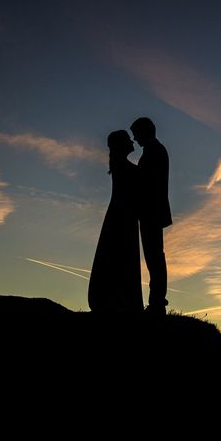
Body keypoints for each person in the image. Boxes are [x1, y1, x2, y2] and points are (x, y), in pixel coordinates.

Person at [88, 130, 144, 313]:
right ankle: (120, 301)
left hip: (122, 214)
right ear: (122, 144)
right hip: (122, 215)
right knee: (120, 255)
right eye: (128, 139)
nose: (132, 141)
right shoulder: (122, 164)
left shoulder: (121, 164)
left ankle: (121, 300)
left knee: (119, 256)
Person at [130, 117, 172, 315]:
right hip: (151, 211)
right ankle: (156, 302)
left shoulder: (155, 151)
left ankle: (157, 303)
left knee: (154, 257)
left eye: (136, 134)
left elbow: (149, 183)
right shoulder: (153, 150)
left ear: (145, 132)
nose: (135, 139)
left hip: (151, 211)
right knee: (154, 257)